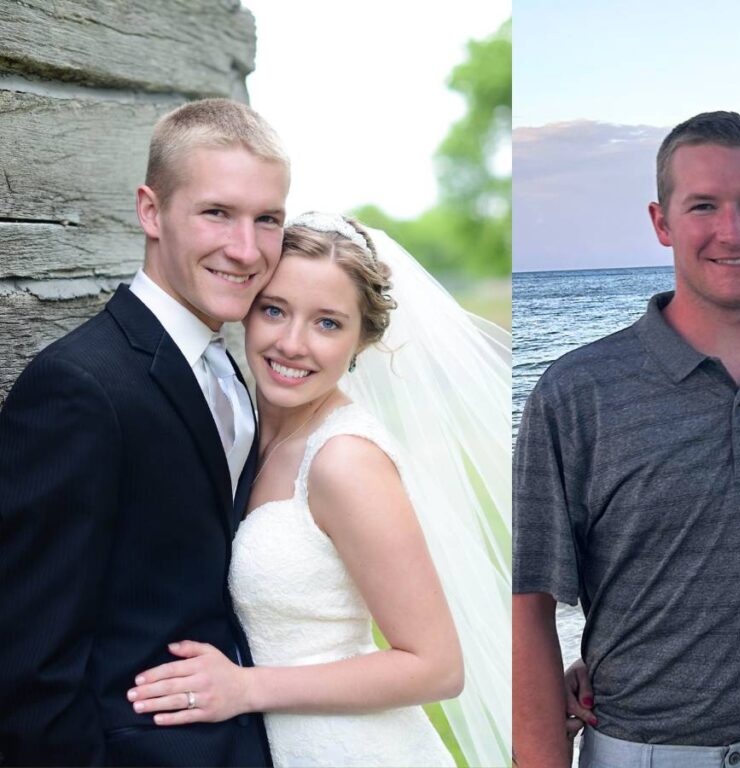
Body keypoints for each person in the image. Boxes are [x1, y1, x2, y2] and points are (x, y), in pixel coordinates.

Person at [513, 111, 740, 767]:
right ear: (661, 222)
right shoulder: (578, 392)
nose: (733, 230)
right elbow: (530, 605)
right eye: (703, 206)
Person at [124, 214, 513, 768]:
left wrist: (246, 688)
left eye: (328, 323)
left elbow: (436, 667)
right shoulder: (241, 430)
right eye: (275, 310)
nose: (291, 343)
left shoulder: (344, 461)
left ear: (364, 339)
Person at [0, 98, 289, 765]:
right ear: (151, 211)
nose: (246, 250)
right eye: (217, 212)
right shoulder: (78, 388)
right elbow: (30, 666)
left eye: (267, 219)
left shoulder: (230, 369)